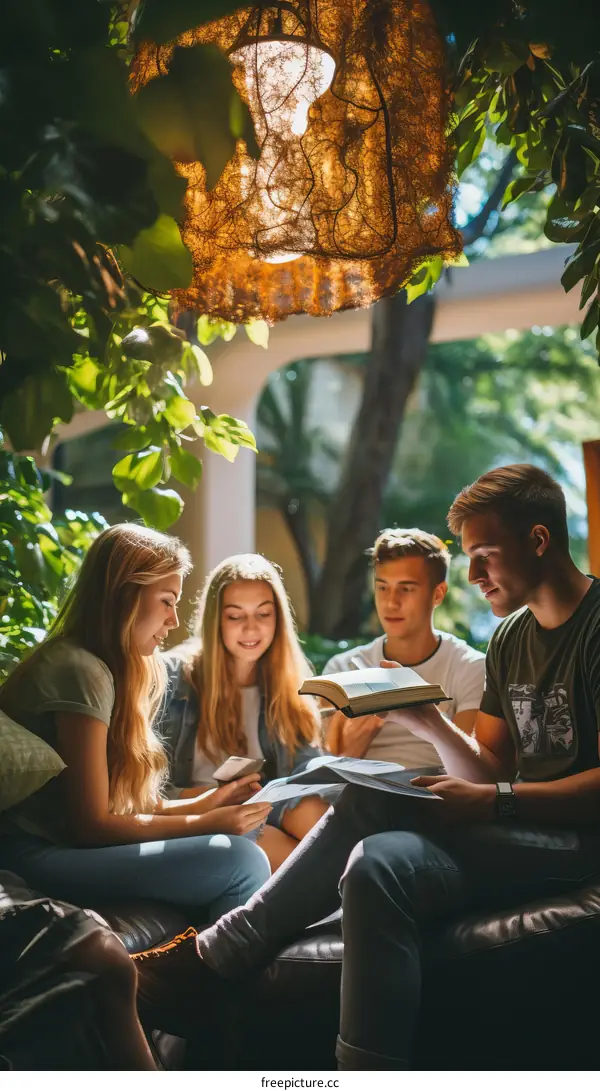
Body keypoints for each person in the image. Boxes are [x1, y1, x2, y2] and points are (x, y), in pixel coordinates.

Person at [134, 464, 600, 1070]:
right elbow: (490, 769)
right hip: (513, 830)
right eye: (469, 558)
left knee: (372, 802)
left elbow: (502, 792)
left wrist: (496, 802)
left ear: (539, 540)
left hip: (576, 842)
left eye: (486, 554)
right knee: (374, 860)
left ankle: (213, 957)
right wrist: (428, 722)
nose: (476, 576)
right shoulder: (511, 638)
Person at [0, 525, 271, 921]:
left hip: (64, 848)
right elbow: (90, 825)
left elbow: (122, 804)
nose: (175, 620)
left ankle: (205, 966)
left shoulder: (111, 669)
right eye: (166, 601)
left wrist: (204, 804)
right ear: (124, 595)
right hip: (36, 855)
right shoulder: (79, 669)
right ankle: (220, 977)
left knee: (244, 842)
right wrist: (204, 823)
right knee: (241, 860)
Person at [159, 554, 331, 871]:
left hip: (264, 801)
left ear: (278, 618)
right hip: (200, 809)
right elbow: (143, 787)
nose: (251, 628)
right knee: (304, 860)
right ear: (216, 621)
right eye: (235, 616)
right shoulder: (172, 678)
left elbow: (306, 772)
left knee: (315, 814)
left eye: (263, 614)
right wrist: (205, 796)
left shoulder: (286, 682)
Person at [323, 528, 485, 767]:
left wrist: (425, 717)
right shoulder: (341, 667)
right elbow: (325, 772)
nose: (391, 602)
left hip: (437, 796)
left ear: (438, 594)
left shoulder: (469, 667)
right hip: (358, 793)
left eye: (406, 589)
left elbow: (469, 771)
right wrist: (361, 735)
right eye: (382, 587)